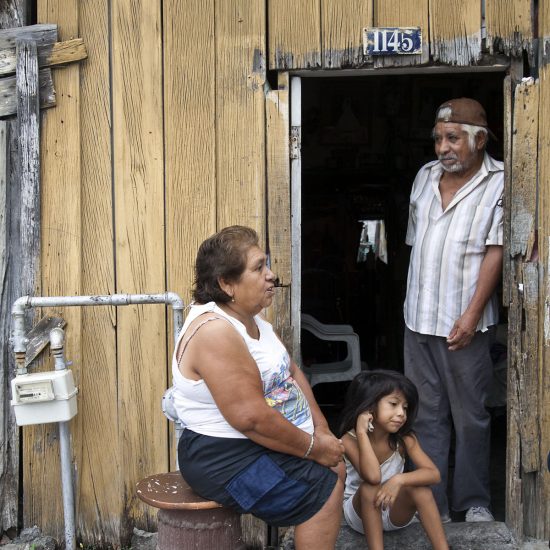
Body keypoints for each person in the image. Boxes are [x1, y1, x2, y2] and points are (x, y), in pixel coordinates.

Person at [172, 225, 345, 550]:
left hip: (250, 442)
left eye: (267, 265)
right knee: (324, 485)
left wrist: (321, 428)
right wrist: (315, 448)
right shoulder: (216, 332)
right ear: (227, 283)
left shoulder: (254, 320)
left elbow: (291, 371)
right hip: (221, 456)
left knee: (333, 469)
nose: (271, 275)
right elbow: (250, 418)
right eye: (259, 268)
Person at [404, 97, 504, 522]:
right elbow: (416, 246)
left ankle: (474, 501)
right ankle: (434, 504)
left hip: (467, 325)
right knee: (425, 418)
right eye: (438, 140)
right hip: (418, 321)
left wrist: (470, 316)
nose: (443, 148)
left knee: (471, 418)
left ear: (478, 140)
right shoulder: (425, 178)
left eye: (453, 139)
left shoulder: (499, 181)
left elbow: (496, 253)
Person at [339, 370, 449, 550]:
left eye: (405, 407)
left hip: (393, 511)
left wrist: (399, 480)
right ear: (369, 407)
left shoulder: (405, 439)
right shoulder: (349, 440)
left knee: (421, 491)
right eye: (393, 404)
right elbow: (373, 477)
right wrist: (361, 433)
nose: (401, 413)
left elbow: (434, 474)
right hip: (360, 514)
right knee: (369, 488)